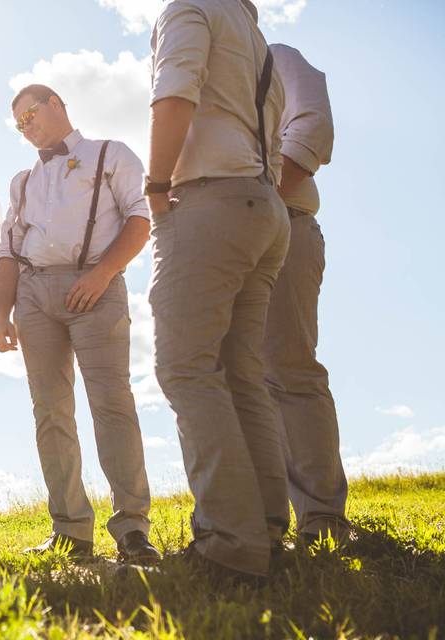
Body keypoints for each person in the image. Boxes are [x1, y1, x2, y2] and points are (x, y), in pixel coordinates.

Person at [146, 0, 290, 579]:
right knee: (240, 373)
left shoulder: (189, 9)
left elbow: (175, 93)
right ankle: (267, 530)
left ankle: (231, 543)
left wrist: (157, 186)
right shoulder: (255, 36)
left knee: (185, 368)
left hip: (209, 201)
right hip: (263, 206)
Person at [0, 84, 160, 566]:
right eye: (19, 123)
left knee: (111, 404)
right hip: (33, 294)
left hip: (95, 284)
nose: (27, 126)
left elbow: (138, 218)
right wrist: (3, 315)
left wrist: (103, 274)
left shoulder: (111, 153)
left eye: (31, 113)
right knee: (50, 412)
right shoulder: (22, 182)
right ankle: (70, 530)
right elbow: (7, 250)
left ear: (57, 105)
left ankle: (132, 528)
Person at [265, 43, 349, 546]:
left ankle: (321, 517)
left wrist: (256, 201)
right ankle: (258, 519)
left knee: (290, 368)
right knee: (234, 380)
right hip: (217, 245)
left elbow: (312, 127)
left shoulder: (277, 57)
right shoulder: (195, 76)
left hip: (283, 227)